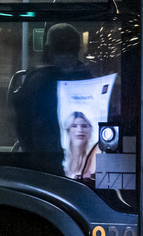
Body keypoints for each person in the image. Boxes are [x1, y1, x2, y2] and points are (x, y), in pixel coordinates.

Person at [9, 22, 89, 170]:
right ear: (78, 49)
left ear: (47, 49)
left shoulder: (37, 79)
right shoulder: (86, 78)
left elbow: (21, 123)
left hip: (42, 164)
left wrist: (32, 155)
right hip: (81, 164)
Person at [62, 110, 99, 180]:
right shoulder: (62, 155)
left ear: (90, 130)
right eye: (74, 126)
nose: (80, 130)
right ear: (68, 130)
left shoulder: (96, 151)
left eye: (84, 126)